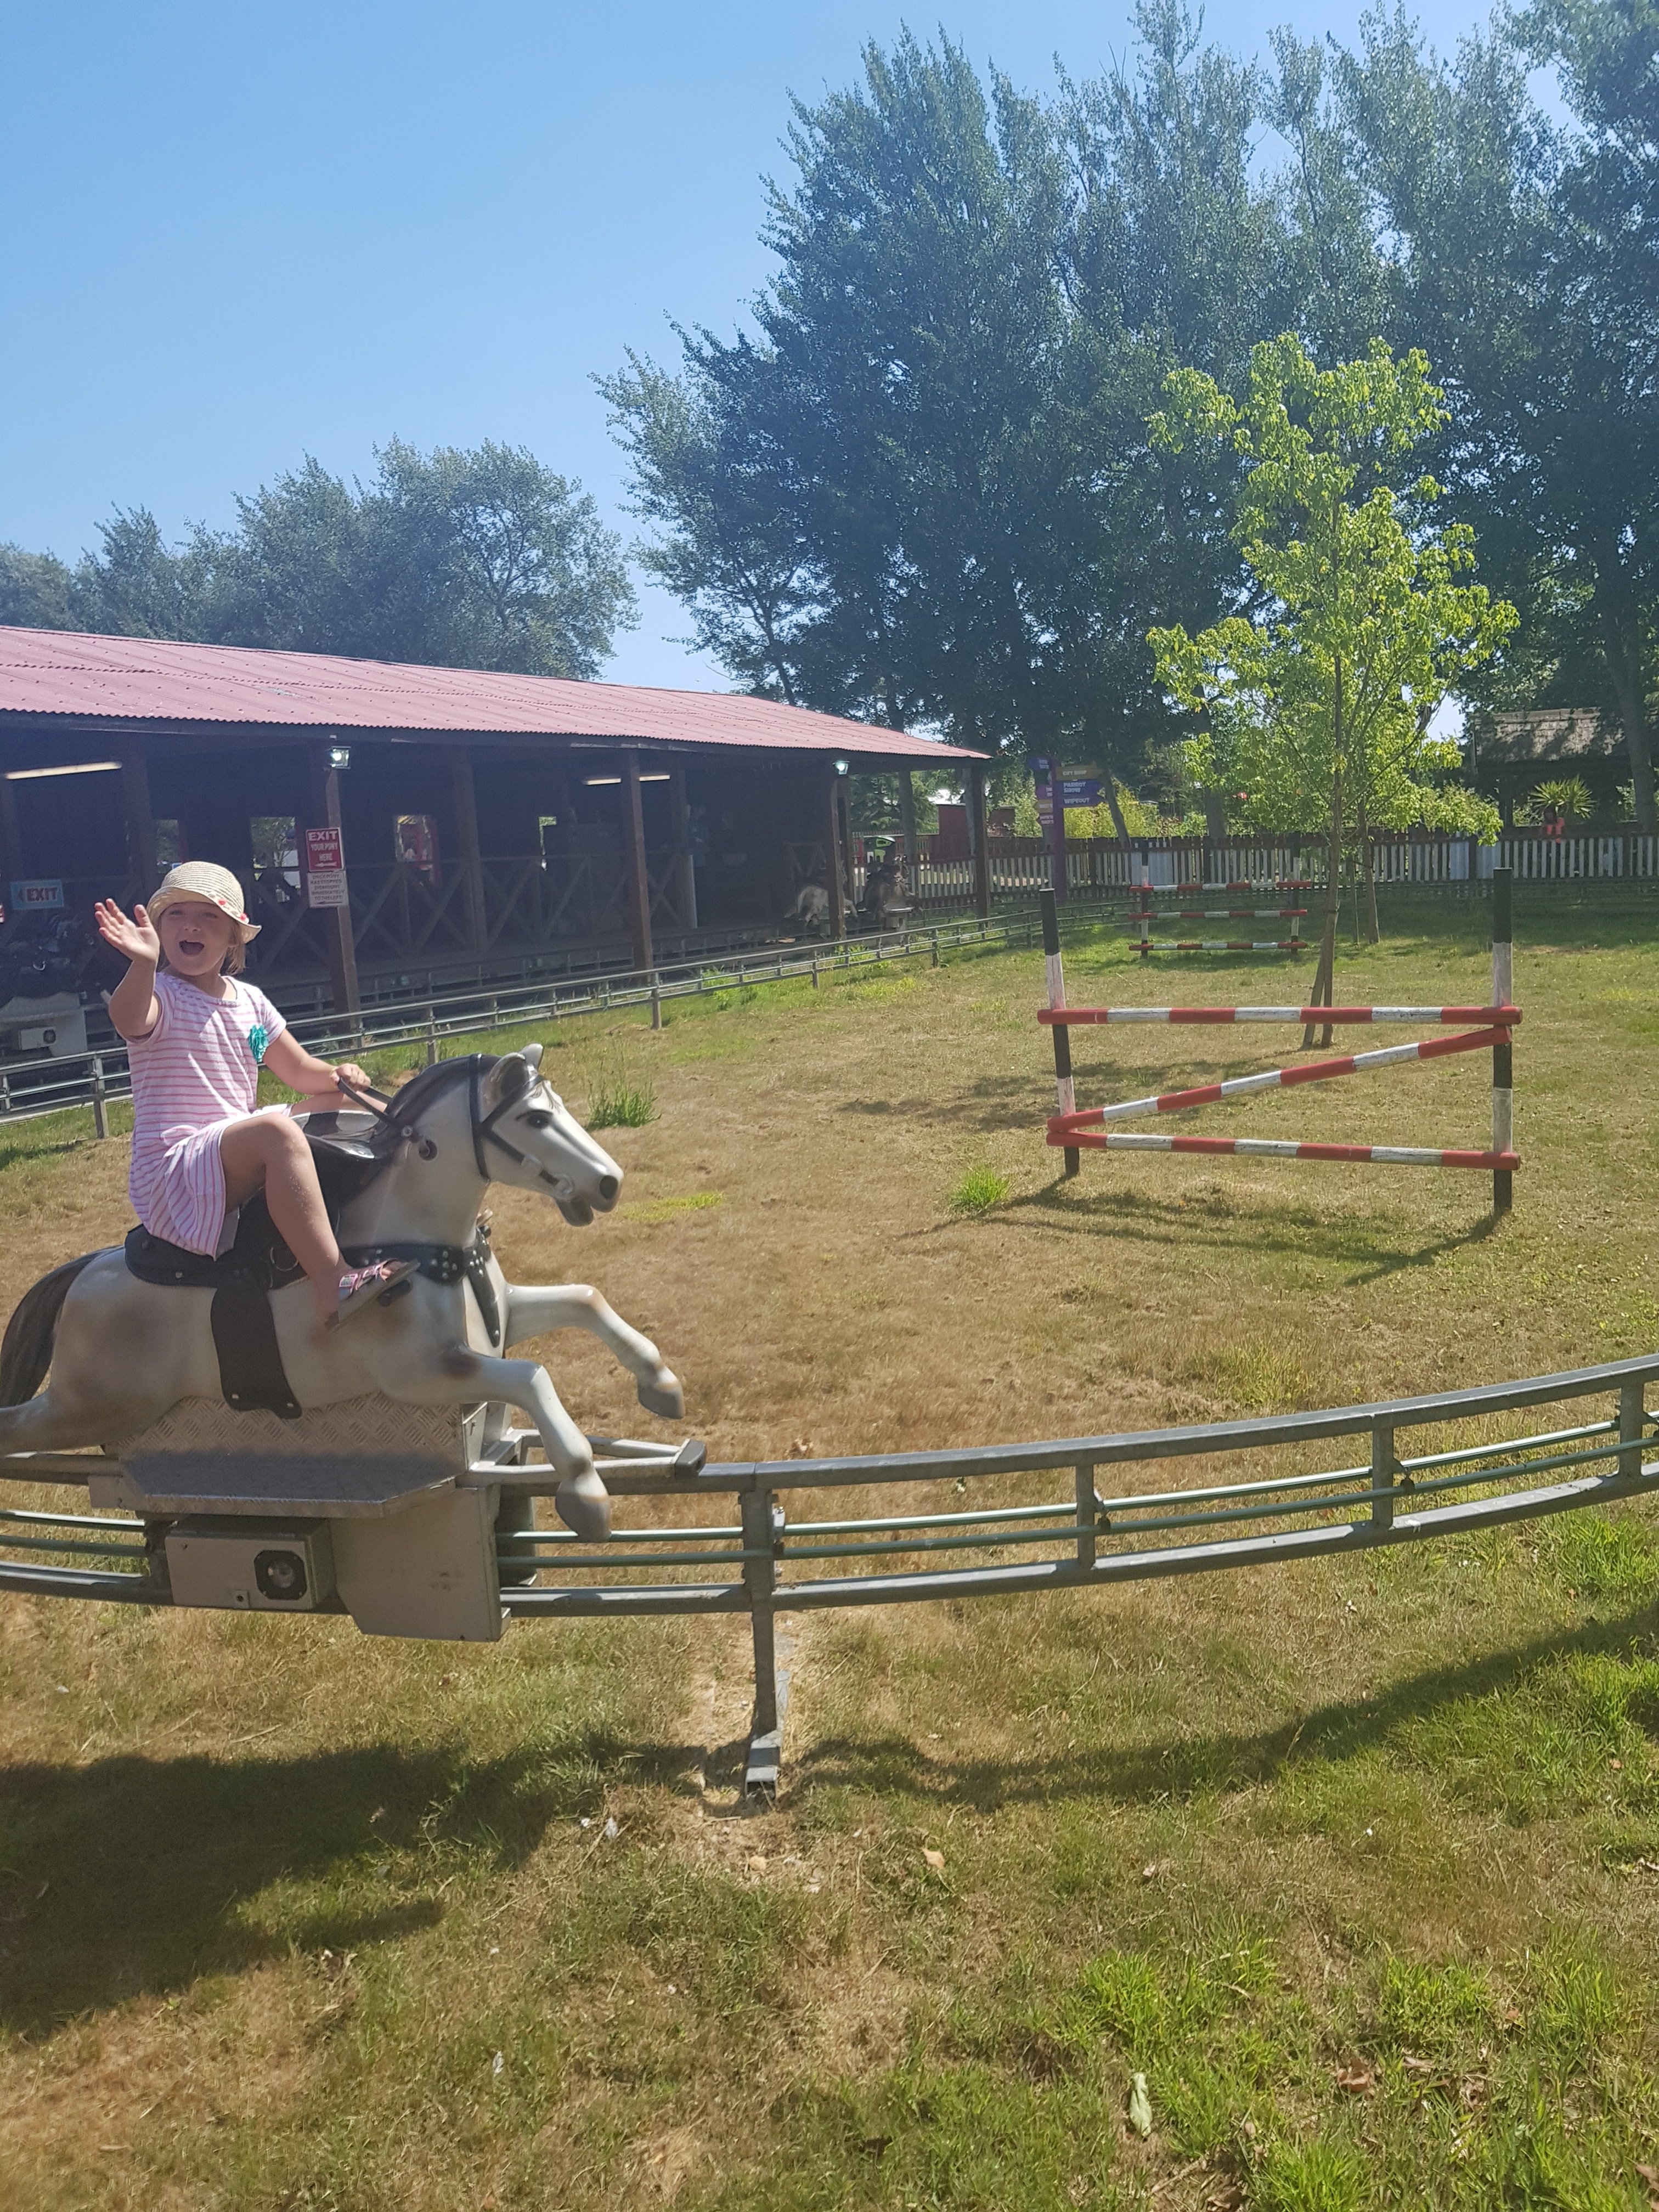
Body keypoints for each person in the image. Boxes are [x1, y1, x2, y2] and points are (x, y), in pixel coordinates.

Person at [95, 862, 415, 1329]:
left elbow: (297, 1069)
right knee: (275, 1132)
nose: (190, 925)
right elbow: (129, 1020)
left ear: (233, 937)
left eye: (208, 916)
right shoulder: (159, 995)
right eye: (177, 914)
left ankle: (417, 1219)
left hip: (232, 1140)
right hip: (174, 1166)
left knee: (373, 1107)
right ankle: (333, 1284)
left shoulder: (249, 1003)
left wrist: (337, 1075)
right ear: (160, 930)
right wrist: (142, 964)